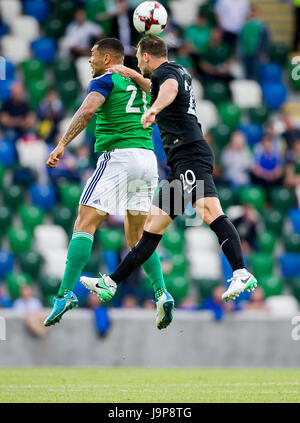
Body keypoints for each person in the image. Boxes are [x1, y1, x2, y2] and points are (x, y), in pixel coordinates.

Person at [81, 36, 258, 307]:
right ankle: (111, 283)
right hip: (182, 162)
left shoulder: (168, 75)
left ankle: (241, 272)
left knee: (210, 212)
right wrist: (129, 72)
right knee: (152, 229)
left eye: (138, 58)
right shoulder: (175, 70)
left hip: (190, 156)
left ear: (148, 56)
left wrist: (154, 109)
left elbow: (168, 90)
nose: (138, 63)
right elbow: (155, 85)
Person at [43, 38, 173, 330]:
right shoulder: (140, 84)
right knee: (137, 237)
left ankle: (64, 295)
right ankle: (161, 292)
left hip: (118, 157)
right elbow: (164, 94)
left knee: (84, 222)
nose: (89, 60)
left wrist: (62, 144)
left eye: (92, 55)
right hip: (146, 158)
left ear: (106, 58)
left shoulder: (105, 79)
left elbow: (88, 111)